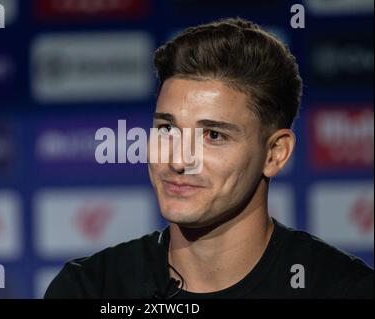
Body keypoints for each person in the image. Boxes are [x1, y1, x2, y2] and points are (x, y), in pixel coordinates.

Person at [44, 17, 373, 299]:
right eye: (167, 129)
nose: (177, 160)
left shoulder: (341, 289)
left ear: (275, 153)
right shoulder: (91, 289)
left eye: (213, 136)